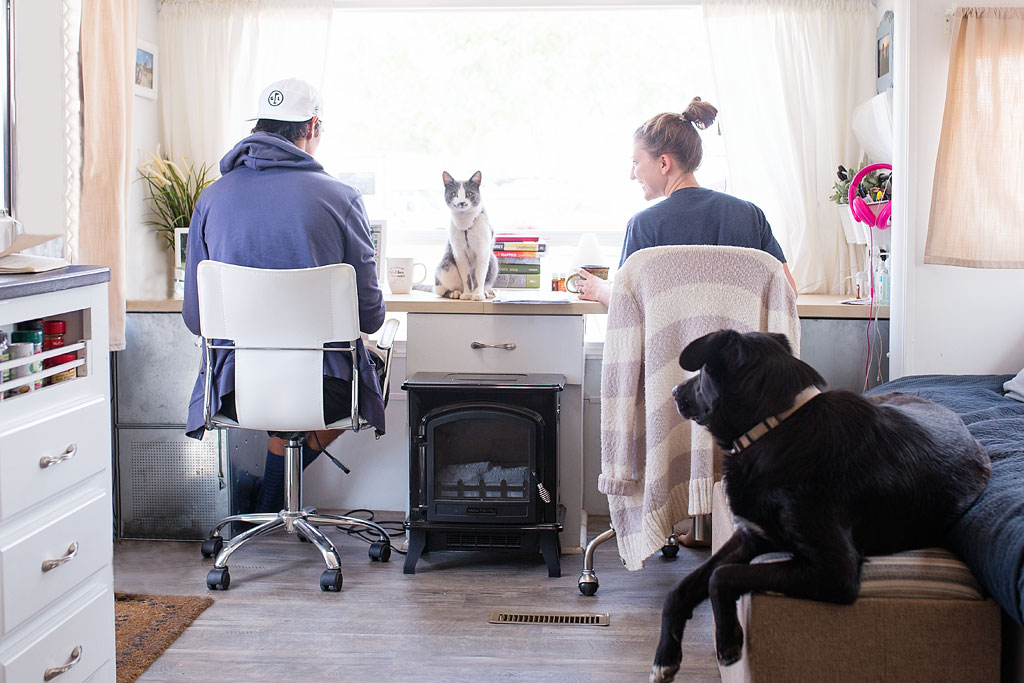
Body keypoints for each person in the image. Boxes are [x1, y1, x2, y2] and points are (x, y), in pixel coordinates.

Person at [181, 78, 386, 513]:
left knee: (283, 394)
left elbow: (196, 319)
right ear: (312, 127)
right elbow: (370, 318)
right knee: (375, 369)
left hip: (235, 388)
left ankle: (266, 498)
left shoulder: (211, 199)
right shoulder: (342, 198)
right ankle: (273, 496)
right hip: (325, 388)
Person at [573, 97, 797, 306]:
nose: (632, 174)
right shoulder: (750, 215)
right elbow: (787, 293)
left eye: (635, 162)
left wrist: (601, 290)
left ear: (663, 163)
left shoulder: (644, 226)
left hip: (671, 349)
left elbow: (627, 305)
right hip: (739, 348)